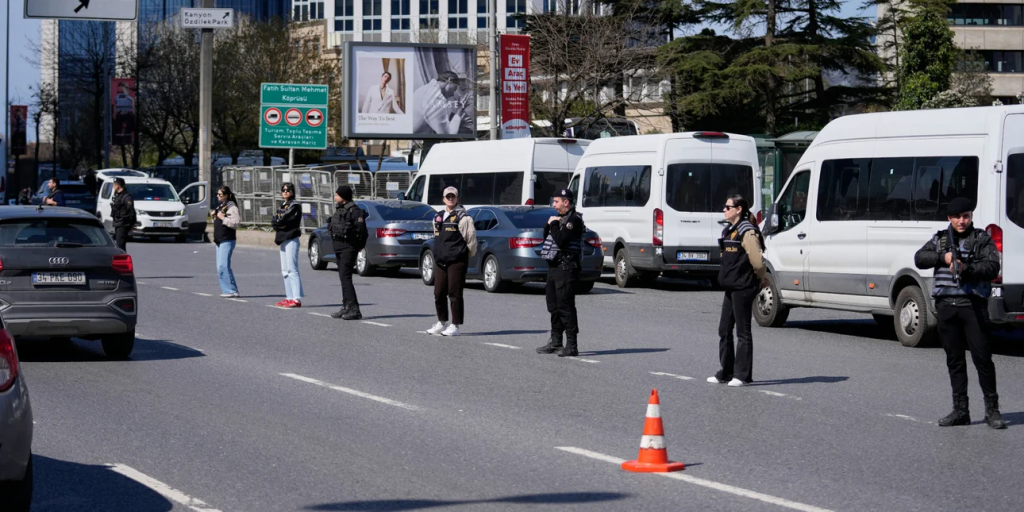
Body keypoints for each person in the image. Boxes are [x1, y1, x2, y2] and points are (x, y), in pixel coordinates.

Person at [914, 197, 1006, 429]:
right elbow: (919, 258)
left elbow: (993, 267)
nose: (961, 221)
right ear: (949, 218)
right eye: (957, 217)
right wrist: (942, 257)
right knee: (954, 360)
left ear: (971, 216)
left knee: (982, 359)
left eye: (965, 216)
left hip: (972, 306)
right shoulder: (940, 239)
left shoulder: (981, 239)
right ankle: (960, 411)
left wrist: (967, 268)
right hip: (946, 307)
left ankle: (992, 411)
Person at [707, 195, 766, 387]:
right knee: (724, 329)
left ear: (738, 209)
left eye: (727, 207)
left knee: (743, 331)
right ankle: (726, 372)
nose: (724, 209)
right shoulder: (729, 230)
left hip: (743, 286)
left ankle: (742, 376)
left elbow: (757, 261)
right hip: (731, 286)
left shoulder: (746, 231)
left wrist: (759, 279)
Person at [536, 189, 585, 357]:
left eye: (556, 202)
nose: (554, 205)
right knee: (553, 306)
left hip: (567, 269)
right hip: (554, 268)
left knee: (566, 307)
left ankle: (572, 345)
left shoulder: (574, 220)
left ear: (566, 202)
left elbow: (561, 240)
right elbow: (547, 237)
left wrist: (554, 224)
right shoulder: (561, 219)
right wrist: (549, 224)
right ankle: (556, 341)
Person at [426, 187, 477, 337]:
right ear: (443, 199)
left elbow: (471, 240)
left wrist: (463, 256)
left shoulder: (463, 217)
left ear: (457, 198)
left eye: (452, 197)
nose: (450, 199)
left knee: (454, 293)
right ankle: (442, 322)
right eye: (447, 197)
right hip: (441, 261)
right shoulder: (438, 217)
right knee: (438, 292)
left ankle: (455, 325)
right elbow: (436, 236)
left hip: (457, 261)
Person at [328, 185, 368, 320]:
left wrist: (359, 246)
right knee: (342, 278)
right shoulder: (340, 209)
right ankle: (346, 307)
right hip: (339, 247)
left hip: (348, 248)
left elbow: (362, 232)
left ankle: (355, 309)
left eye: (337, 195)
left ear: (343, 196)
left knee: (346, 278)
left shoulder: (355, 211)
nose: (335, 197)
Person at [272, 183, 304, 308]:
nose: (285, 192)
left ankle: (296, 299)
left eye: (287, 190)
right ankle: (289, 296)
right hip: (283, 238)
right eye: (283, 190)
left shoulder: (295, 205)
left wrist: (279, 222)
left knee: (292, 269)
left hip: (291, 238)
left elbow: (284, 219)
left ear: (292, 192)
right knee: (285, 270)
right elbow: (274, 220)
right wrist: (278, 223)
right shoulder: (282, 205)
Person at [412, 71, 471, 135]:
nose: (453, 94)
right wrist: (460, 110)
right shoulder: (436, 99)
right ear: (450, 80)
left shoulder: (425, 88)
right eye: (454, 89)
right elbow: (448, 135)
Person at [213, 187, 241, 298]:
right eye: (217, 194)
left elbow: (236, 223)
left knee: (223, 265)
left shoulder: (232, 207)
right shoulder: (221, 206)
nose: (218, 196)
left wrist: (223, 218)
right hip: (219, 239)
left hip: (227, 239)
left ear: (227, 195)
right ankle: (226, 289)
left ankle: (232, 290)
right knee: (219, 266)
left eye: (220, 194)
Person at [109, 178, 136, 251]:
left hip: (123, 224)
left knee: (120, 246)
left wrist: (129, 225)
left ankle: (123, 261)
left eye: (114, 185)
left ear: (117, 186)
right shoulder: (118, 196)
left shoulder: (126, 197)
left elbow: (132, 212)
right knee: (119, 245)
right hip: (118, 223)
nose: (113, 187)